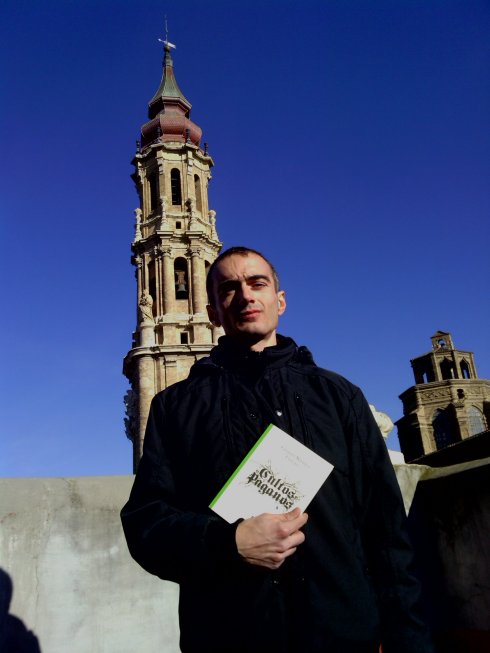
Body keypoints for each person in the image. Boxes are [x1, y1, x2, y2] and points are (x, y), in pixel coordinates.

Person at [121, 246, 433, 653]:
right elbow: (147, 526)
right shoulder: (175, 408)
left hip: (341, 637)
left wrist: (408, 641)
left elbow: (387, 531)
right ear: (213, 310)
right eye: (229, 288)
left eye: (257, 283)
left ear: (279, 301)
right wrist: (227, 542)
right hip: (228, 638)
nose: (246, 296)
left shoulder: (339, 397)